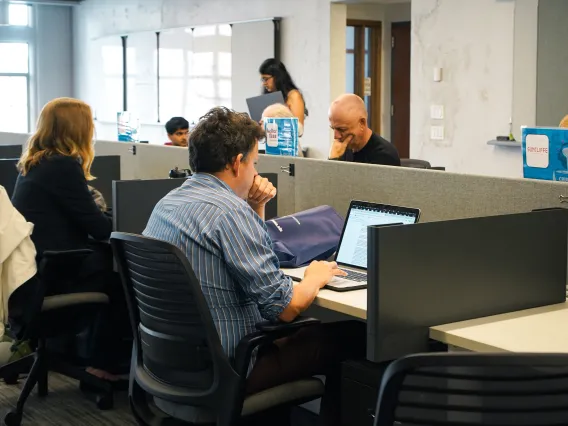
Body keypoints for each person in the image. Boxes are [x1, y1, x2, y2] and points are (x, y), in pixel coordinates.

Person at [143, 107, 365, 426]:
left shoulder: (168, 203)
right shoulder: (229, 213)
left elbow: (249, 257)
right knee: (351, 335)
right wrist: (315, 277)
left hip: (174, 362)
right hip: (232, 363)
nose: (255, 173)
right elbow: (285, 308)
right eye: (255, 163)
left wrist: (255, 206)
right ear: (237, 162)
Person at [11, 97, 129, 381]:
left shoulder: (36, 162)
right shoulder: (62, 166)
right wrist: (127, 221)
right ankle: (104, 365)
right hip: (55, 271)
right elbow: (99, 227)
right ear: (77, 129)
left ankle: (74, 352)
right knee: (124, 277)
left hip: (35, 270)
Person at [328, 94, 401, 166]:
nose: (336, 136)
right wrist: (333, 159)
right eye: (333, 128)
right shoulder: (342, 149)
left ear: (362, 123)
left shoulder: (384, 156)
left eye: (342, 129)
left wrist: (334, 161)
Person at [259, 58, 308, 128]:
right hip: (269, 138)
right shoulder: (268, 97)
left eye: (266, 79)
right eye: (262, 79)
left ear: (277, 77)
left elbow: (299, 129)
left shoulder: (294, 96)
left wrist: (274, 121)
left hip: (287, 138)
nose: (264, 83)